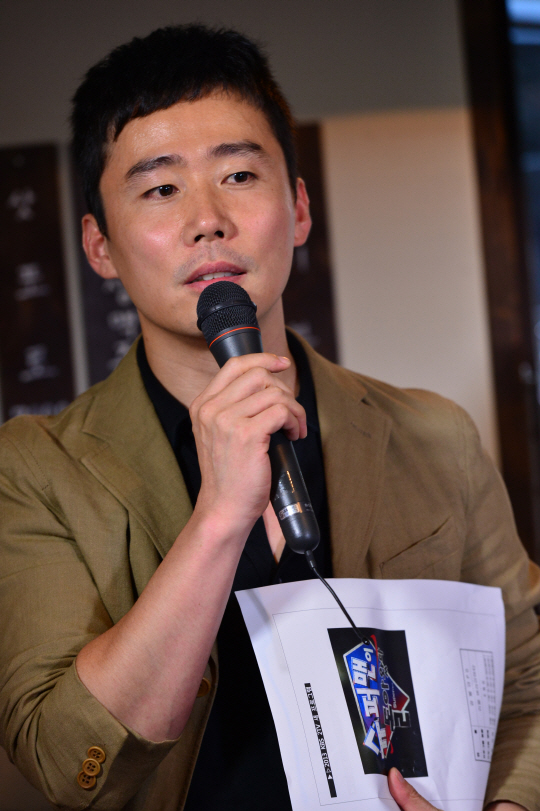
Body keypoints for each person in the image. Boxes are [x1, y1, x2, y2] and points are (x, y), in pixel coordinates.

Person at [0, 23, 538, 811]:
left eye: (240, 174)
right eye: (160, 189)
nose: (208, 218)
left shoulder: (435, 435)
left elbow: (526, 681)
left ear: (299, 208)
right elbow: (63, 761)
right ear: (100, 245)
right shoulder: (32, 467)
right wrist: (219, 517)